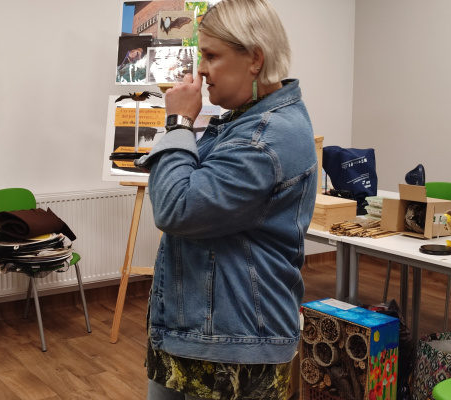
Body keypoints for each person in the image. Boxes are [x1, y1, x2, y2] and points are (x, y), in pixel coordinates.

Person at [135, 0, 318, 398]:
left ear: (255, 58)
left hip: (235, 345)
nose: (201, 69)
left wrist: (179, 123)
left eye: (212, 56)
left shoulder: (264, 138)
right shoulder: (244, 121)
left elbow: (176, 207)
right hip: (201, 331)